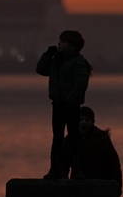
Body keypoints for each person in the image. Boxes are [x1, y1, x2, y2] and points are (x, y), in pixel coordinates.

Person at [36, 30, 92, 180]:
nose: (59, 43)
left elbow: (81, 84)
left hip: (71, 106)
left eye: (63, 41)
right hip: (58, 105)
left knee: (74, 137)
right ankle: (54, 170)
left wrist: (69, 99)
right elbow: (40, 69)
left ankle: (76, 171)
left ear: (72, 47)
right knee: (57, 138)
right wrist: (48, 54)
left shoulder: (78, 62)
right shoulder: (56, 60)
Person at [73, 106, 123, 193]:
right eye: (80, 119)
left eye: (87, 119)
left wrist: (118, 186)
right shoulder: (71, 139)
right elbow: (63, 163)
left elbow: (114, 164)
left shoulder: (102, 139)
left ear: (93, 122)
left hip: (100, 185)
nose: (83, 122)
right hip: (78, 185)